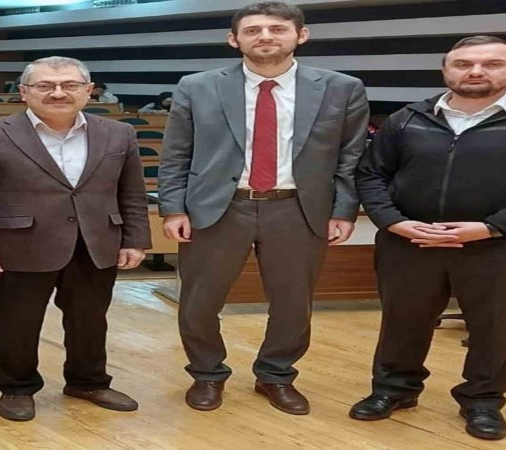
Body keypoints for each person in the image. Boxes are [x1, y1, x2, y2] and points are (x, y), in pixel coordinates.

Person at [158, 2, 369, 414]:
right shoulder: (197, 86)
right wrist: (173, 208)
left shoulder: (341, 88)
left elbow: (351, 156)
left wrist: (343, 211)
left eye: (277, 28)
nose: (266, 36)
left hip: (297, 209)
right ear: (233, 39)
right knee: (200, 301)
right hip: (217, 208)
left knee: (293, 303)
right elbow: (176, 153)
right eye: (253, 30)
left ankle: (276, 375)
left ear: (301, 35)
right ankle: (207, 373)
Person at [352, 36, 506, 441]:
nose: (475, 71)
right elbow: (372, 174)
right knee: (403, 322)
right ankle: (394, 390)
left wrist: (491, 227)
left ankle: (483, 402)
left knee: (498, 328)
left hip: (503, 245)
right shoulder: (407, 119)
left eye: (492, 64)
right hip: (410, 242)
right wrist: (393, 222)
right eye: (463, 64)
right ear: (445, 70)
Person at [0, 56, 151, 422]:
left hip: (95, 243)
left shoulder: (119, 133)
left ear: (89, 91)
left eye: (70, 85)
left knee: (90, 320)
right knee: (16, 323)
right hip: (18, 246)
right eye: (45, 86)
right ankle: (17, 386)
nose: (58, 93)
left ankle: (88, 382)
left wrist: (135, 239)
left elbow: (132, 193)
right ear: (24, 92)